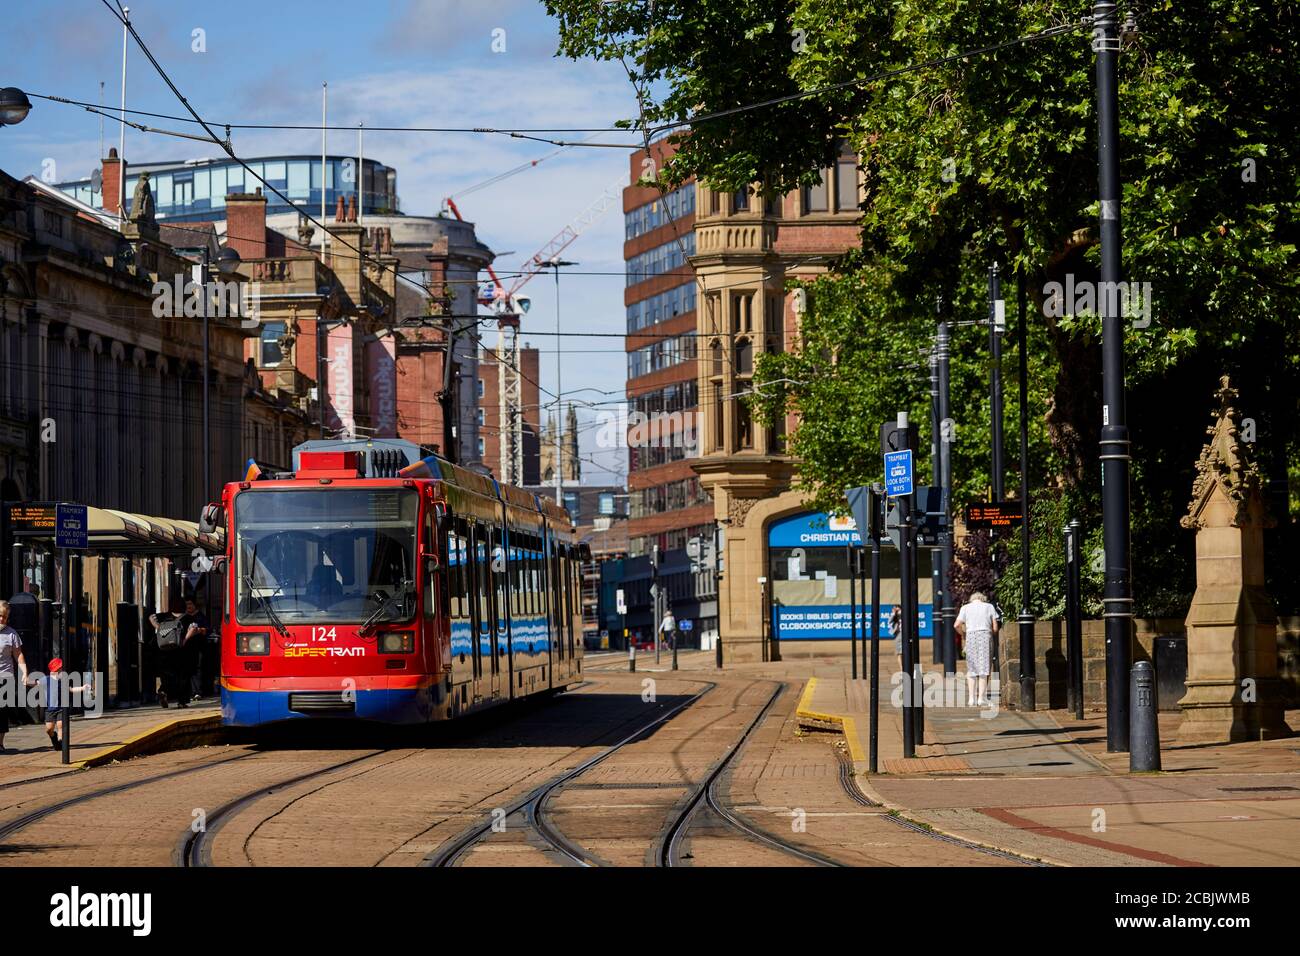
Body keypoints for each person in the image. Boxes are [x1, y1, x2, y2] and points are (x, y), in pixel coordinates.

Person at [955, 591, 1000, 706]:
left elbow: (956, 625)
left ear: (972, 599)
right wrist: (991, 633)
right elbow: (995, 627)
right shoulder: (989, 607)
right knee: (984, 668)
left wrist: (964, 634)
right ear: (983, 599)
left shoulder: (965, 608)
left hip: (971, 636)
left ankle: (971, 699)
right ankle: (981, 698)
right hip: (985, 636)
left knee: (972, 668)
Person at [39, 658, 91, 752]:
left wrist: (82, 688)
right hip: (50, 709)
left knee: (60, 725)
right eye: (60, 669)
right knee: (49, 729)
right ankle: (54, 738)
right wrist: (26, 681)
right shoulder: (46, 679)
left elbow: (71, 689)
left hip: (61, 708)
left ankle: (61, 741)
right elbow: (36, 683)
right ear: (55, 671)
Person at [0, 600, 32, 753]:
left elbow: (18, 655)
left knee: (2, 712)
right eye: (0, 616)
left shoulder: (11, 634)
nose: (2, 619)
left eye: (5, 617)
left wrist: (24, 673)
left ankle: (0, 743)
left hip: (5, 678)